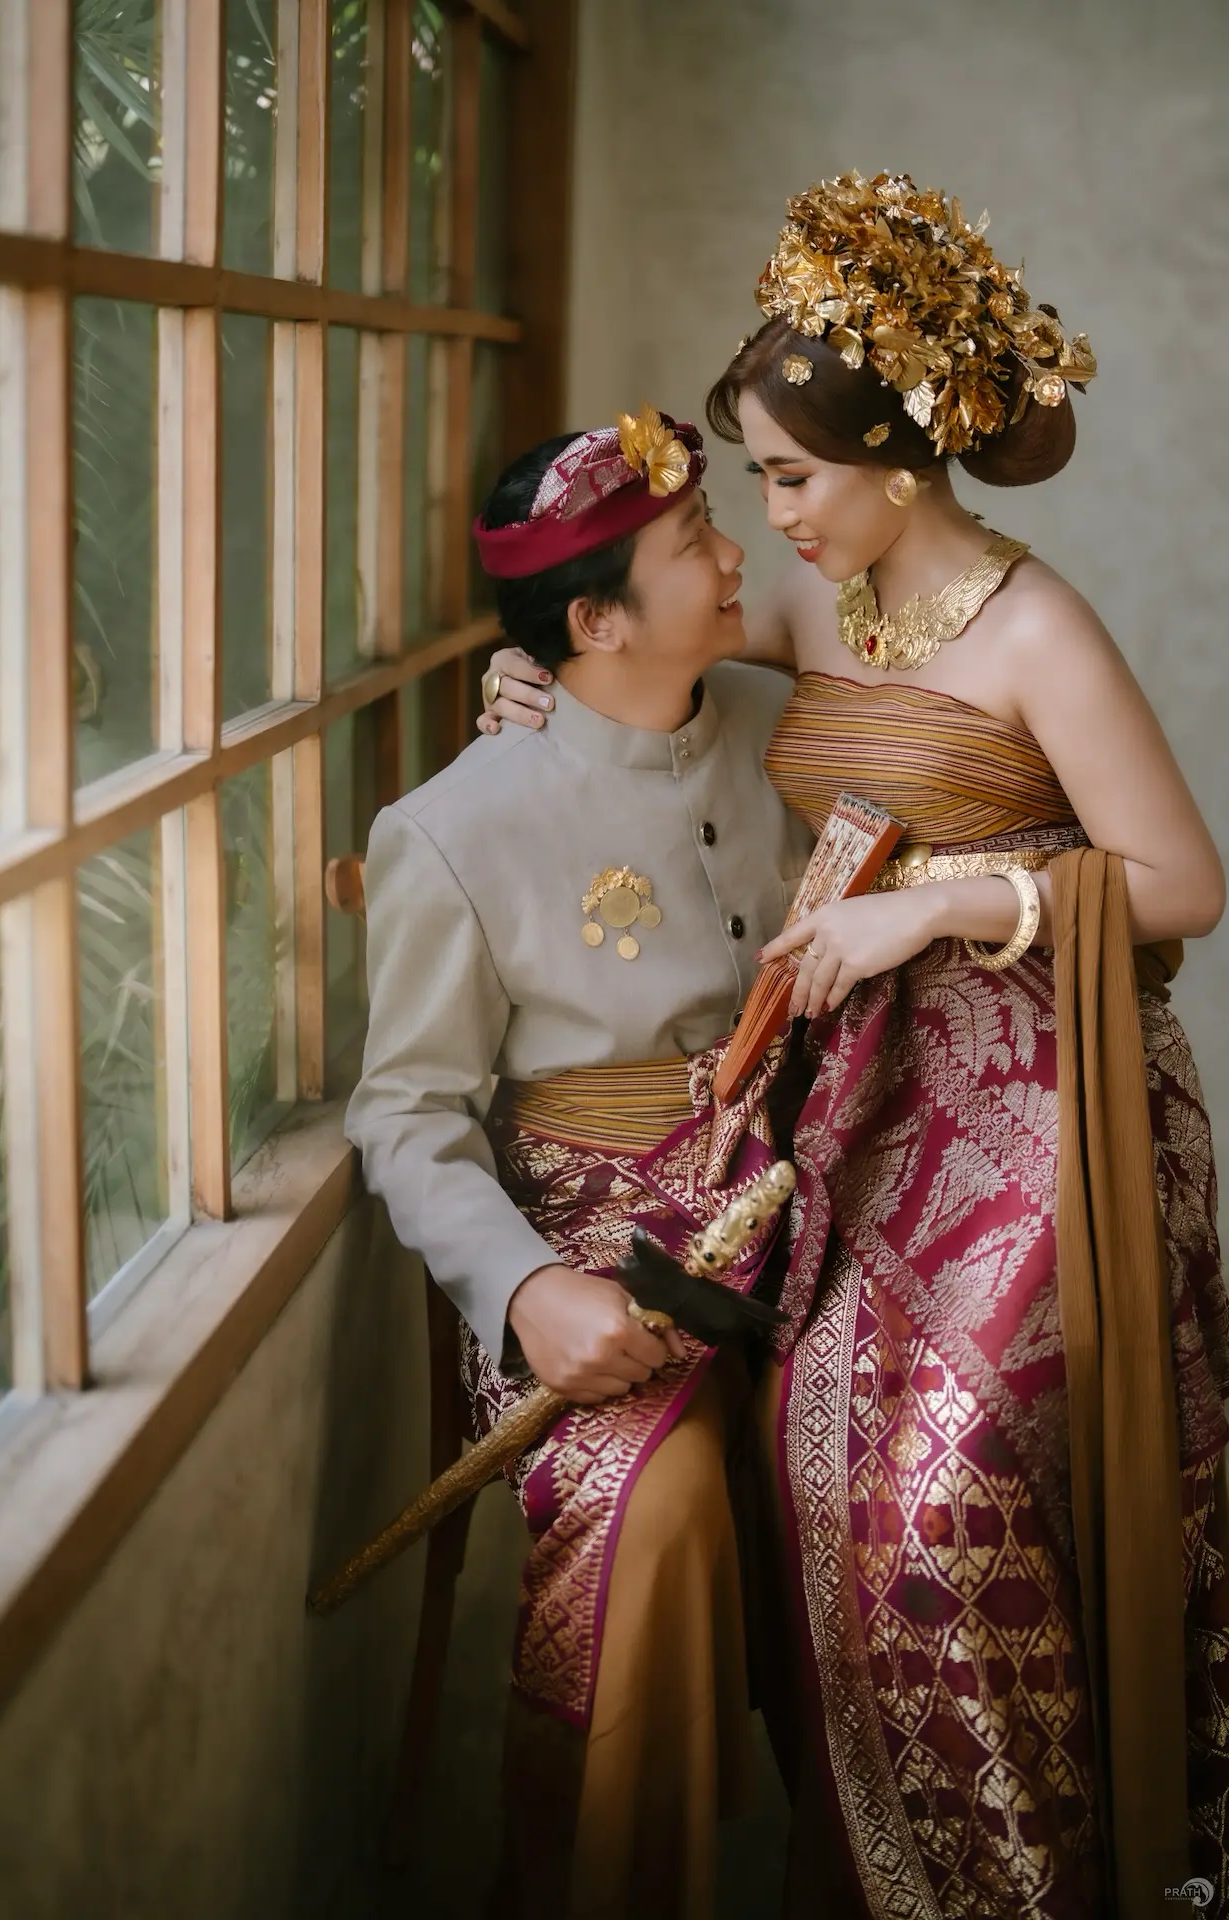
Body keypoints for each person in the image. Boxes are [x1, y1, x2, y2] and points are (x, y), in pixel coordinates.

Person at [478, 172, 1229, 1918]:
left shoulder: (1036, 630)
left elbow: (1187, 882)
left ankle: (1037, 1884)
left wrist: (939, 907)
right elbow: (637, 625)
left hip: (1053, 1116)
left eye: (795, 478)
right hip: (867, 1108)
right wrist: (540, 679)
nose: (772, 519)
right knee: (825, 1483)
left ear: (897, 464)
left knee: (947, 1508)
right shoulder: (827, 603)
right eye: (758, 479)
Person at [345, 406, 813, 1917]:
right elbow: (408, 1114)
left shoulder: (785, 720)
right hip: (588, 1238)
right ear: (597, 622)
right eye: (695, 542)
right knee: (650, 1504)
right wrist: (526, 1290)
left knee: (933, 1441)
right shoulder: (452, 828)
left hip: (809, 1195)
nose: (736, 555)